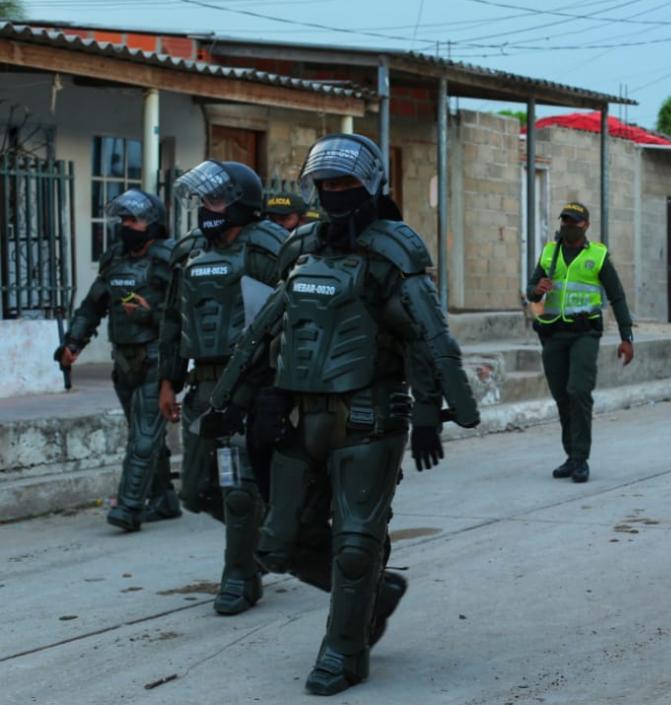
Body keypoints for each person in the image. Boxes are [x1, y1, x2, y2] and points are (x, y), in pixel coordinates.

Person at [203, 133, 480, 695]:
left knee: (355, 546)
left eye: (344, 184)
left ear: (371, 185)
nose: (333, 193)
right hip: (297, 416)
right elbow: (265, 330)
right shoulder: (301, 246)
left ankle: (344, 653)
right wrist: (236, 401)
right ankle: (375, 595)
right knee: (276, 543)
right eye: (325, 184)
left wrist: (437, 409)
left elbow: (426, 336)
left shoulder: (393, 251)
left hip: (368, 416)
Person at [158, 160, 289, 615]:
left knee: (237, 486)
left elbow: (298, 311)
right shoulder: (190, 251)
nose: (206, 208)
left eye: (215, 199)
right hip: (203, 385)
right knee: (194, 492)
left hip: (251, 384)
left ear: (241, 203)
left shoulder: (270, 248)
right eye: (204, 200)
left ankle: (240, 577)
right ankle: (267, 533)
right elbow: (173, 319)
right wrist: (168, 381)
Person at [54, 189, 181, 531]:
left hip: (156, 358)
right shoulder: (115, 259)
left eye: (134, 220)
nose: (126, 225)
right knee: (144, 434)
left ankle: (128, 508)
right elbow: (94, 303)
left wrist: (149, 313)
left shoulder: (167, 259)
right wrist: (73, 343)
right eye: (122, 219)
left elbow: (185, 315)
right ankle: (165, 499)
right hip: (123, 360)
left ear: (152, 224)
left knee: (142, 437)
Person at [526, 202, 635, 484]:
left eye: (573, 221)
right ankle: (571, 456)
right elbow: (531, 292)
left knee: (579, 391)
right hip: (553, 334)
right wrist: (536, 290)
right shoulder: (549, 253)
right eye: (564, 220)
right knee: (562, 396)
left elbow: (617, 297)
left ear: (585, 225)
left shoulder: (597, 256)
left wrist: (626, 337)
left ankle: (581, 458)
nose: (567, 225)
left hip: (585, 334)